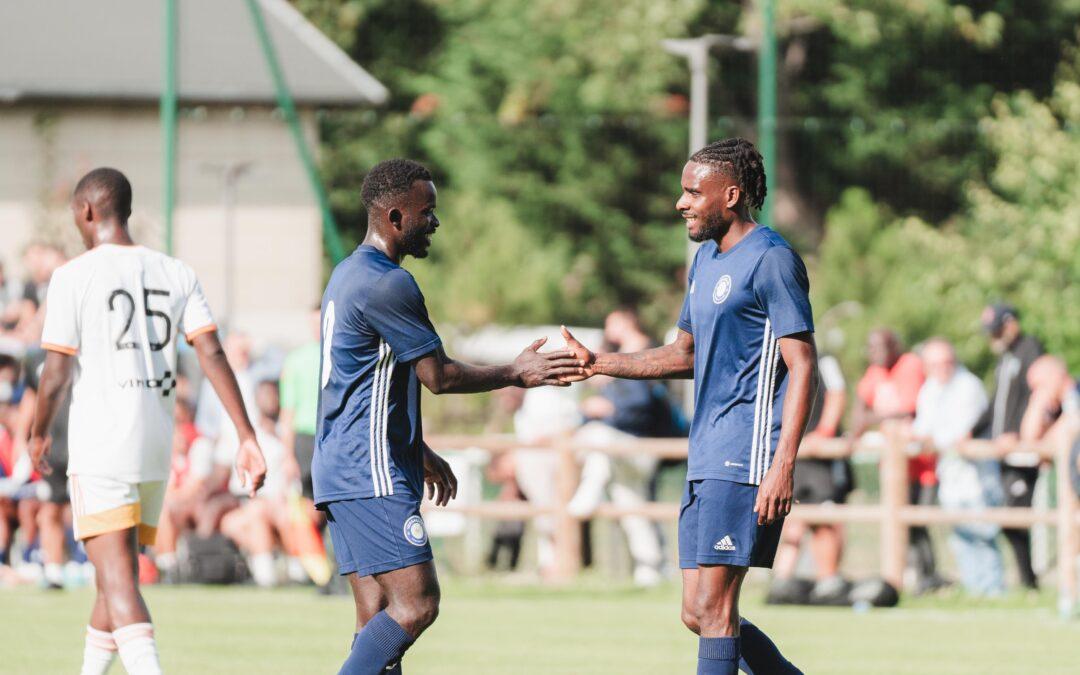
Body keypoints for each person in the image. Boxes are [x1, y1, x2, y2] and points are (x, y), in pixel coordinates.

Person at [315, 158, 582, 674]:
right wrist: (517, 372)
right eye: (427, 211)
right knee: (417, 604)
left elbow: (358, 389)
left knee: (376, 622)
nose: (435, 221)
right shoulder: (388, 284)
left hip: (341, 467)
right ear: (395, 217)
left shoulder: (348, 274)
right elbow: (438, 377)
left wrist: (417, 448)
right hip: (368, 472)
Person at [563, 137, 814, 675]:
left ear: (731, 194)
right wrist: (599, 363)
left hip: (744, 455)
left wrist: (783, 463)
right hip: (705, 453)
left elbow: (804, 365)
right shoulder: (705, 260)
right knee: (696, 612)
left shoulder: (772, 260)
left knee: (718, 612)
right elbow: (683, 354)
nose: (681, 203)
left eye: (692, 192)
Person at [28, 168, 267, 675]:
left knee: (118, 580)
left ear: (88, 211)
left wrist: (38, 431)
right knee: (112, 576)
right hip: (156, 446)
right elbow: (212, 352)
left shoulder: (73, 275)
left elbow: (54, 373)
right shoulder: (175, 271)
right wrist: (247, 435)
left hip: (102, 446)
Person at [852, 329, 942, 591]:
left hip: (921, 463)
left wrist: (872, 419)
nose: (874, 354)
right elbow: (860, 410)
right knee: (901, 527)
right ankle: (913, 577)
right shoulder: (875, 371)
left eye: (879, 348)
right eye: (871, 349)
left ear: (894, 346)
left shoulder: (910, 365)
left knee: (917, 523)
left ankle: (927, 577)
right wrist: (862, 426)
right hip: (893, 468)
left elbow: (909, 411)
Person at [912, 338, 1002, 596]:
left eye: (947, 362)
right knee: (961, 539)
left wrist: (930, 439)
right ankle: (976, 592)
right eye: (935, 364)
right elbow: (923, 429)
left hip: (976, 476)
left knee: (983, 537)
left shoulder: (968, 386)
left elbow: (959, 435)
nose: (942, 368)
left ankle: (992, 593)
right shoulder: (930, 389)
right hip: (950, 476)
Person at [770, 353, 852, 604]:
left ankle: (828, 580)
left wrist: (825, 432)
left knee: (823, 519)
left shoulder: (825, 359)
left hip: (819, 458)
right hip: (793, 452)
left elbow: (837, 395)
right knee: (790, 518)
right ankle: (781, 582)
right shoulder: (775, 361)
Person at [973, 302, 1044, 590]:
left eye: (998, 329)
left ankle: (1030, 582)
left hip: (1023, 454)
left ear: (1011, 323)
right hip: (1003, 454)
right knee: (1009, 518)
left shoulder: (1031, 351)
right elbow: (995, 405)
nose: (994, 337)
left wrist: (1018, 434)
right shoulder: (1005, 358)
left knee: (1014, 518)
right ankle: (1028, 582)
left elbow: (1037, 395)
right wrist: (970, 431)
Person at [279, 306, 321, 505]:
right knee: (307, 503)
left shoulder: (341, 356)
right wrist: (287, 455)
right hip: (305, 440)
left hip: (332, 437)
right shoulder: (295, 360)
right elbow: (287, 411)